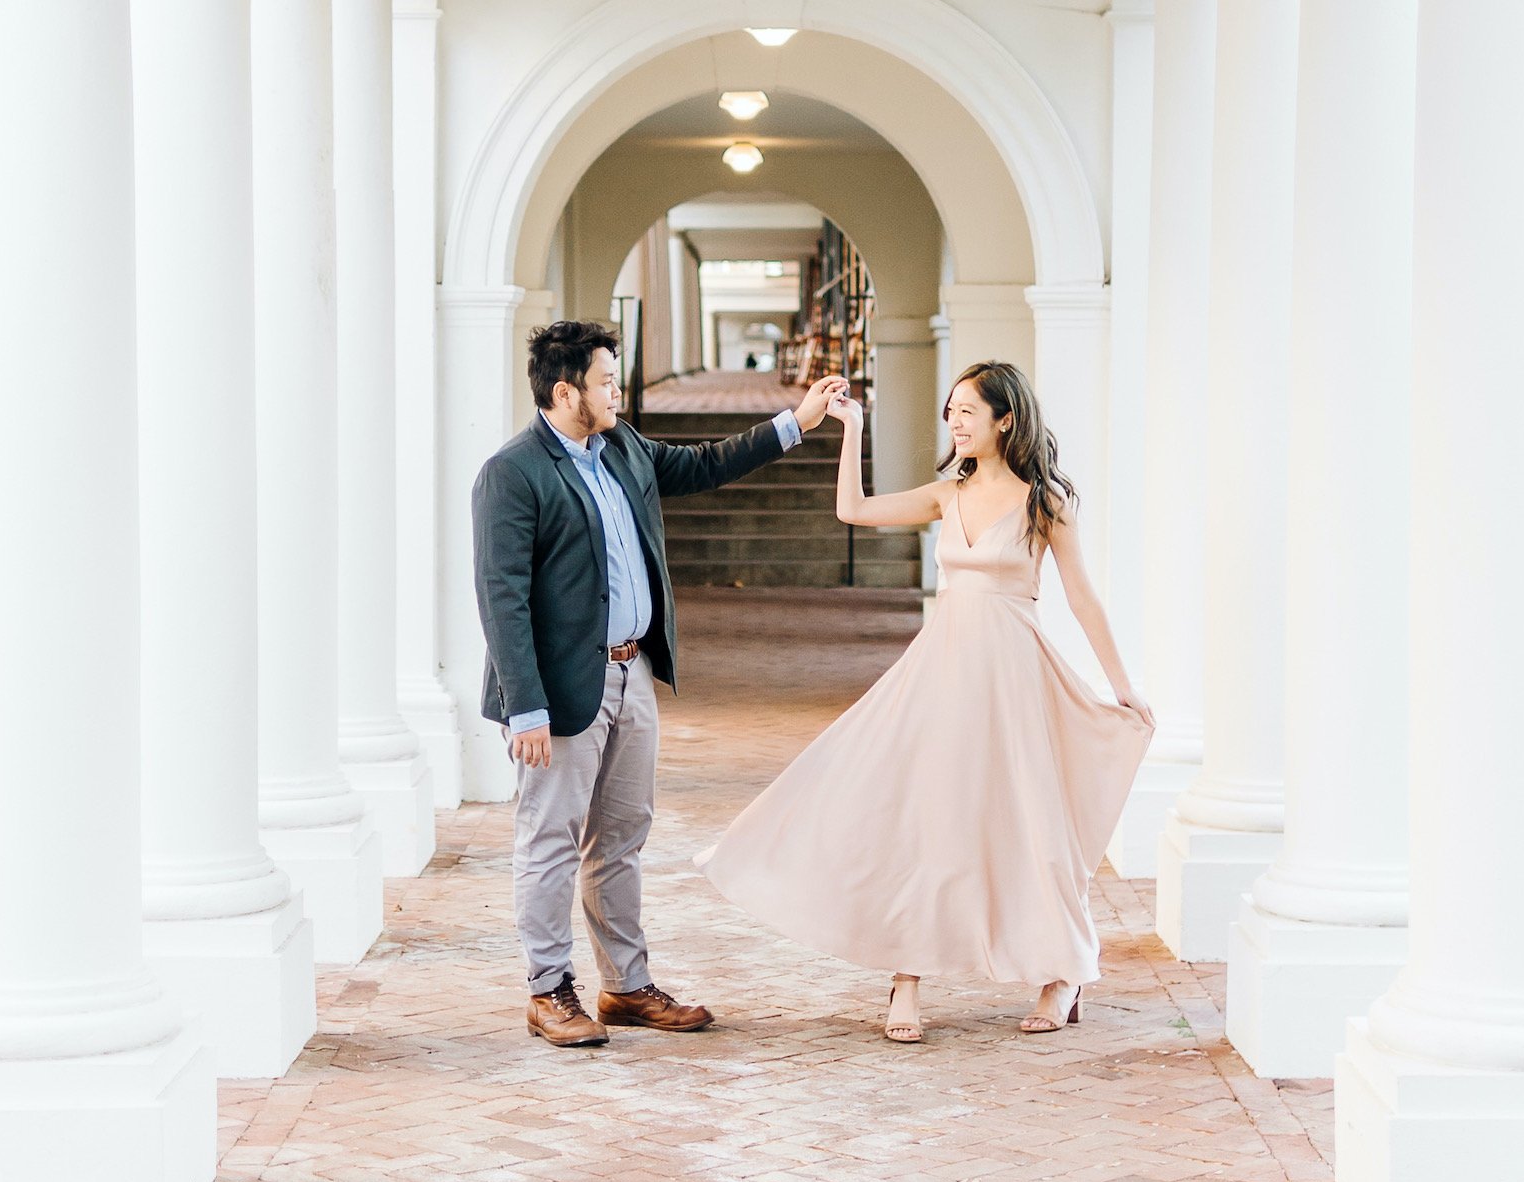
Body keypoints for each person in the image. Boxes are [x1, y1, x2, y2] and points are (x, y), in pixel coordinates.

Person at [699, 360, 1153, 1043]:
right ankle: (905, 979)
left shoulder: (1044, 502)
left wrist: (1122, 684)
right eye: (950, 411)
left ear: (1006, 418)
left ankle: (1062, 973)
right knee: (919, 818)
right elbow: (852, 510)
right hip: (940, 674)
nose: (955, 422)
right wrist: (852, 429)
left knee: (1034, 826)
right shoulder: (947, 495)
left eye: (968, 410)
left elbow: (1083, 597)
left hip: (1013, 679)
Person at [472, 319, 844, 1047]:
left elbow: (703, 464)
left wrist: (793, 425)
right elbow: (501, 597)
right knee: (549, 839)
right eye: (606, 381)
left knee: (622, 836)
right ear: (564, 390)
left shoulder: (624, 448)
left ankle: (626, 987)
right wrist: (526, 708)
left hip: (631, 671)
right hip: (560, 691)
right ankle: (548, 991)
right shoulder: (512, 473)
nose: (617, 390)